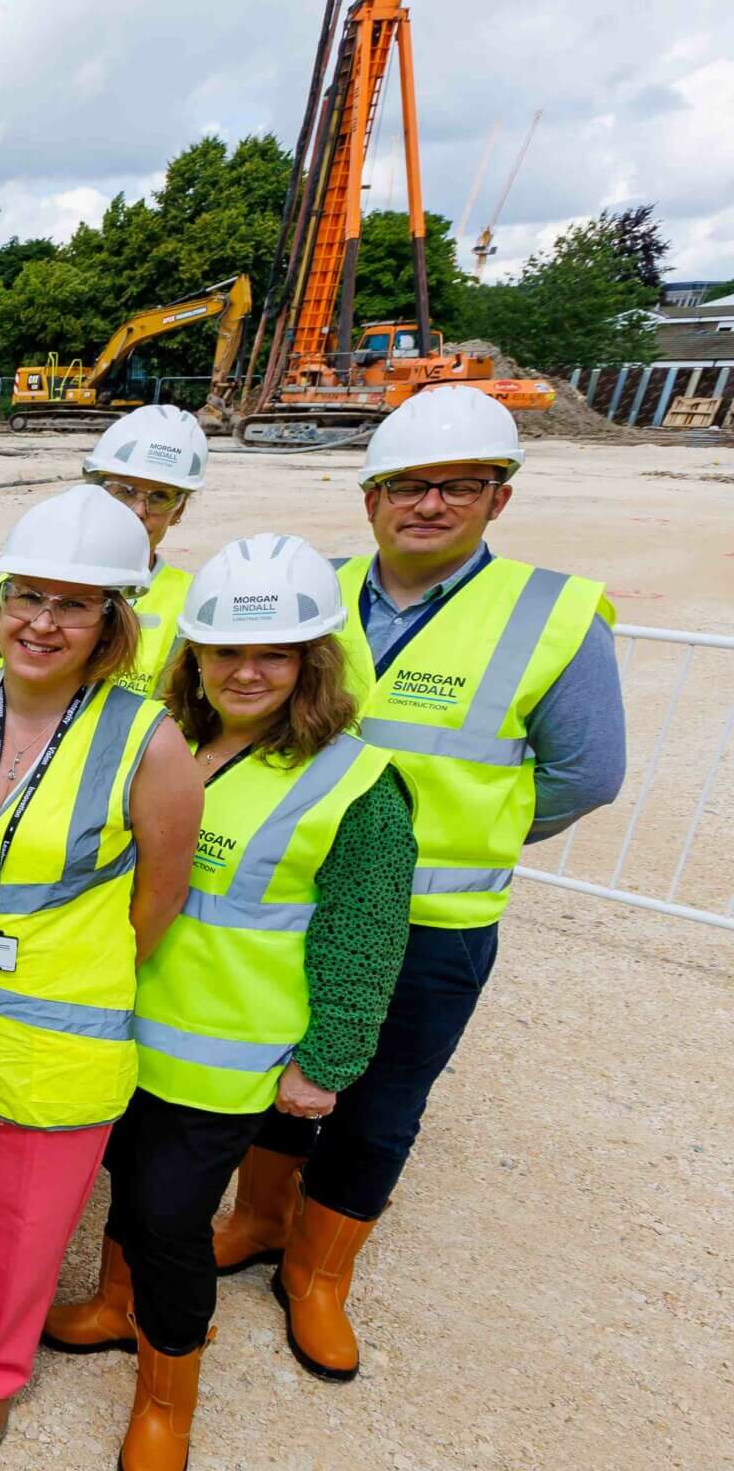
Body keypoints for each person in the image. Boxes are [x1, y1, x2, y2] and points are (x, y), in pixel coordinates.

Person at [211, 388, 625, 1380]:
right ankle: (261, 1218)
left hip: (436, 919)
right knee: (278, 1071)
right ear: (369, 499)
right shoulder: (318, 595)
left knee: (382, 1100)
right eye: (406, 485)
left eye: (458, 485)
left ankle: (316, 1275)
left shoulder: (549, 614)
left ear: (498, 498)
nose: (428, 503)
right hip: (297, 902)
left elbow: (585, 773)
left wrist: (447, 842)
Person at [41, 534, 411, 1471]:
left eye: (274, 655)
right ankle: (114, 1306)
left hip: (226, 1056)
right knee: (126, 1185)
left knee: (169, 1218)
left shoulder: (355, 782)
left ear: (310, 662)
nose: (247, 672)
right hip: (118, 1025)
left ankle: (167, 1398)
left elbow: (364, 939)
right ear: (194, 657)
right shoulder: (165, 741)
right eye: (225, 652)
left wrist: (328, 1060)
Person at [0, 485, 202, 1460]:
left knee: (24, 1220)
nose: (41, 621)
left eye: (73, 603)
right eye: (26, 595)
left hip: (58, 1033)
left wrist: (78, 968)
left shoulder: (149, 742)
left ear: (110, 621)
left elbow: (158, 899)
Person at [81, 404, 210, 697]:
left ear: (178, 511)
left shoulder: (195, 600)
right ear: (96, 491)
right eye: (124, 490)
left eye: (160, 497)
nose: (138, 510)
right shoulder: (32, 580)